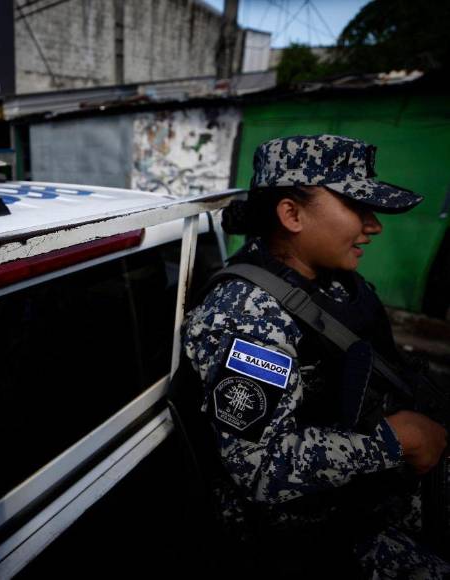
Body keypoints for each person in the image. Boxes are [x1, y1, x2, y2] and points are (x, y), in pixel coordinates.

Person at [182, 135, 449, 578]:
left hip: (365, 492)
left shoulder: (335, 282)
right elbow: (259, 467)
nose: (374, 226)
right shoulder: (248, 317)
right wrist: (393, 442)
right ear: (291, 213)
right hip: (303, 530)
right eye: (357, 207)